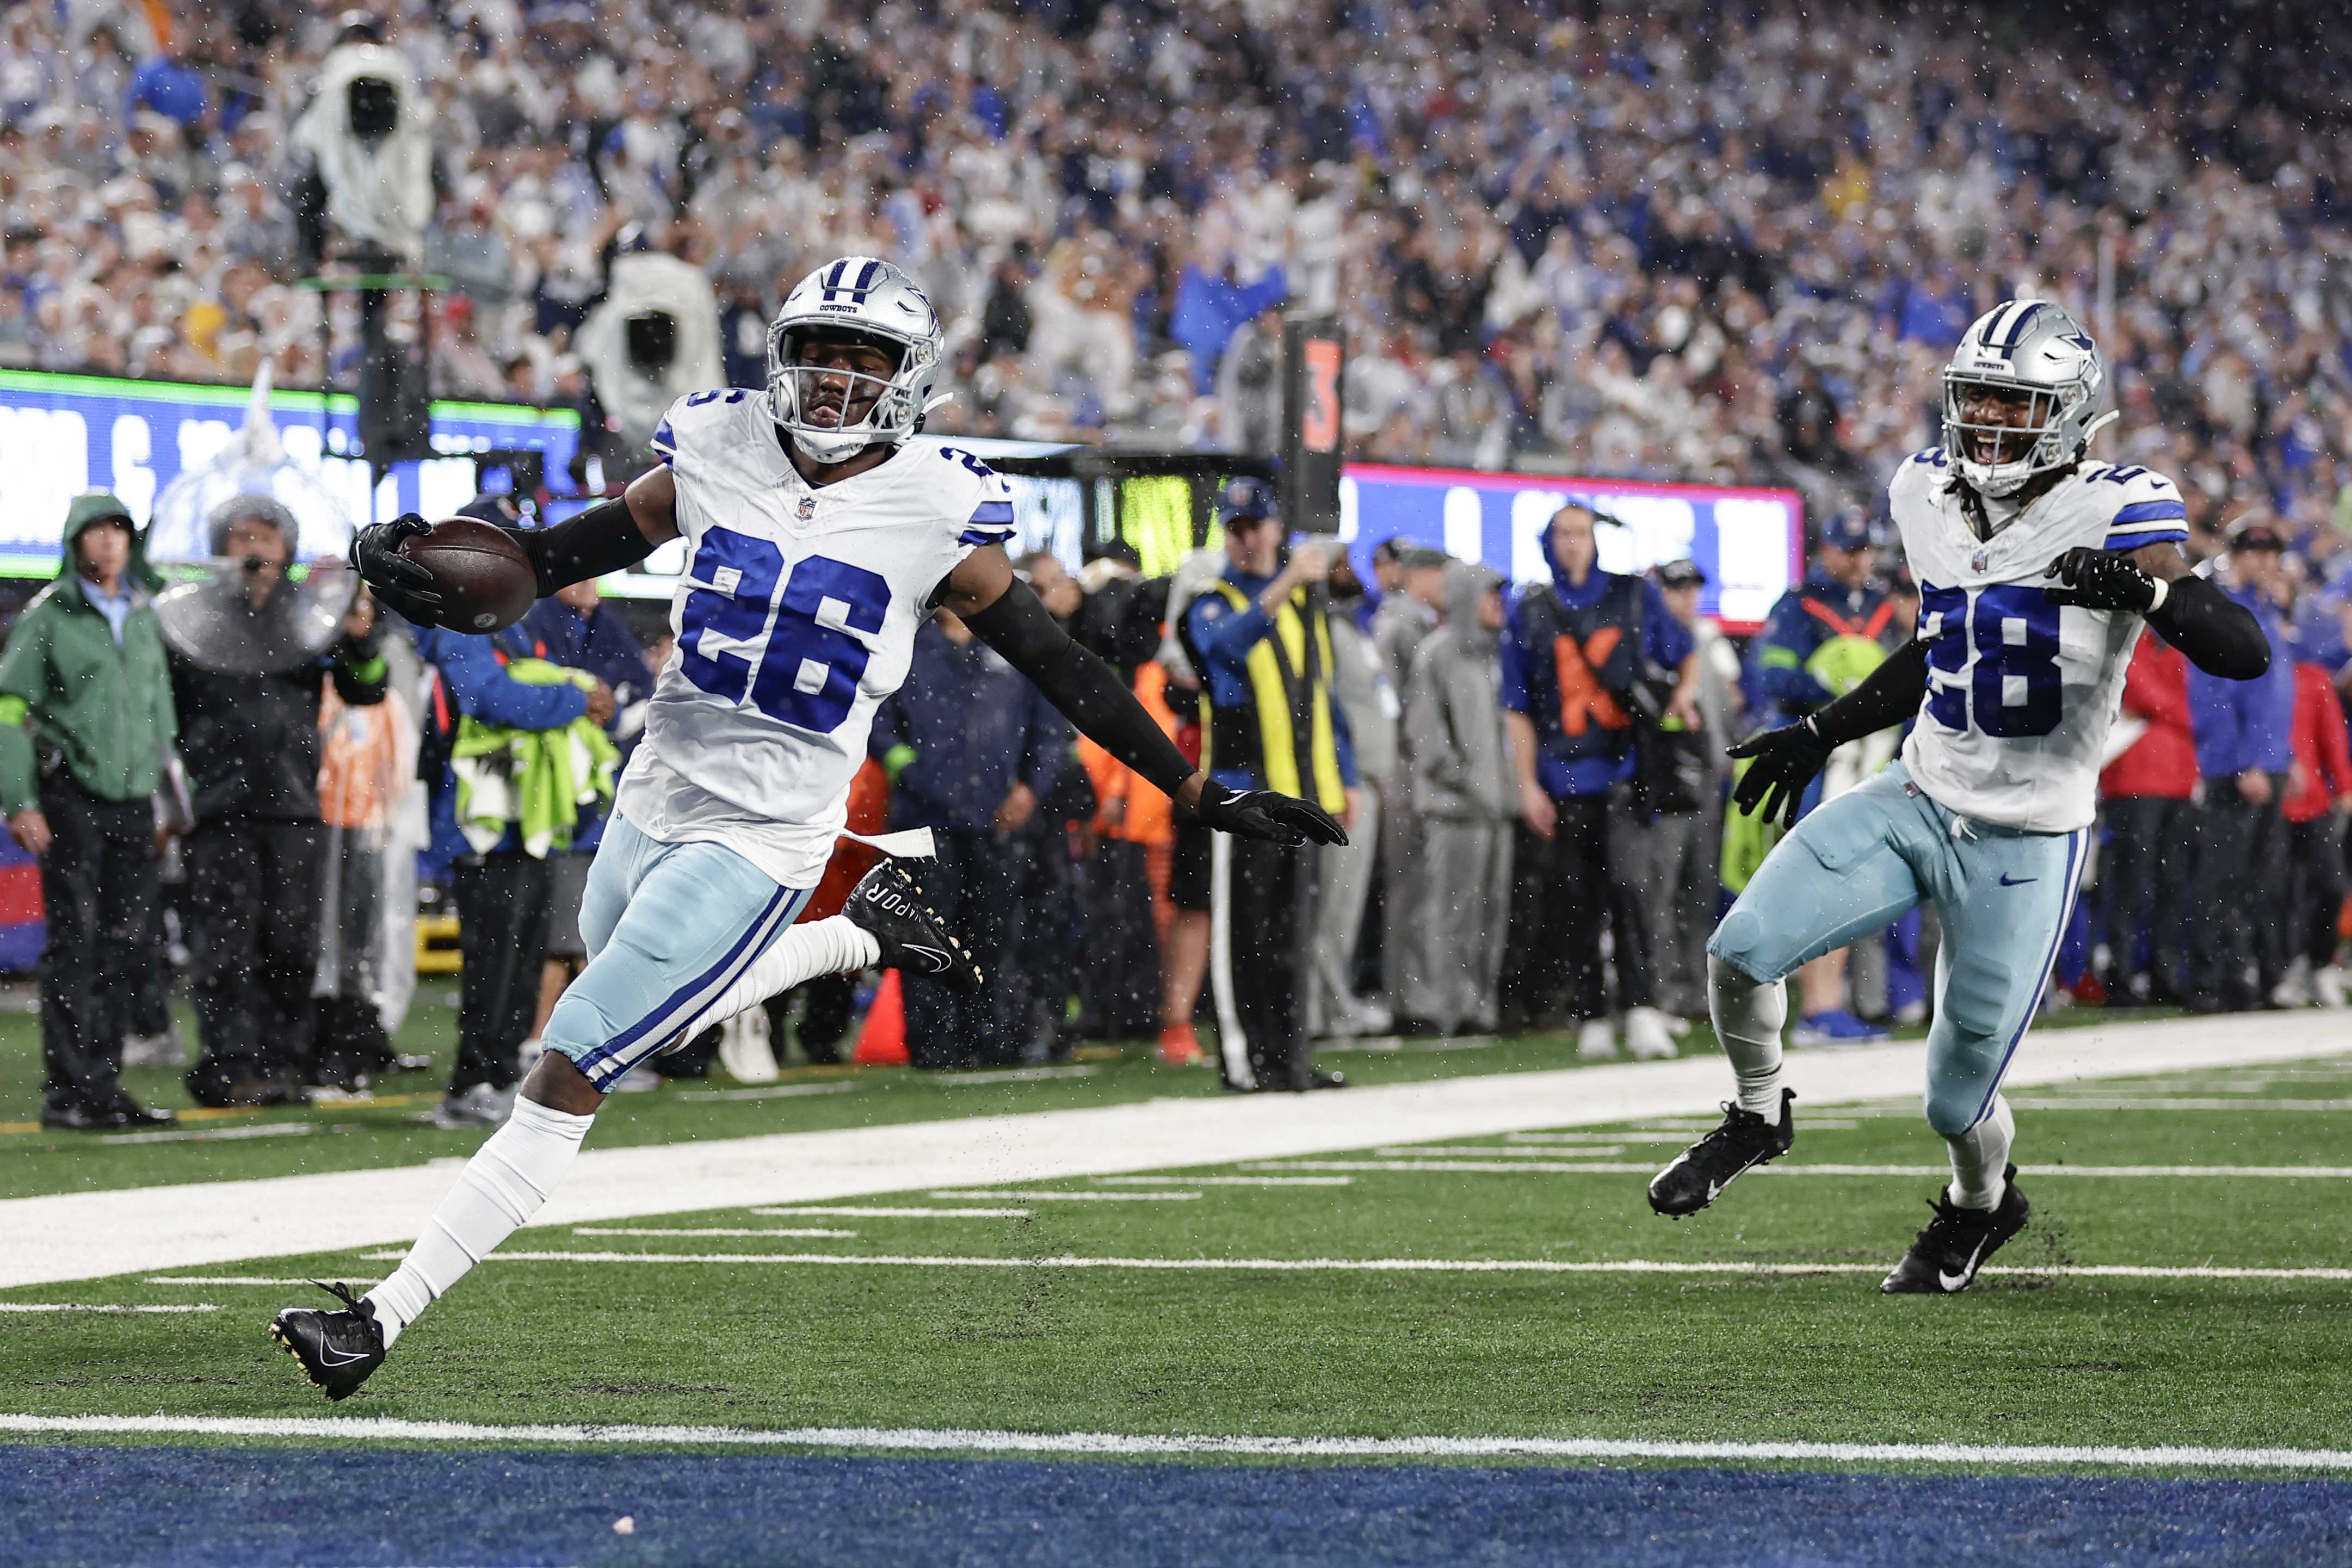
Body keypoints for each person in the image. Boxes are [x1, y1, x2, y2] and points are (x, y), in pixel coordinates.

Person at [287, 255, 1340, 1397]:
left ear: (908, 375)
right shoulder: (715, 443)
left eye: (865, 355)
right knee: (650, 1013)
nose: (837, 376)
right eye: (821, 349)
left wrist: (1189, 787)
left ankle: (384, 1313)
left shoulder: (939, 503)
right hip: (658, 786)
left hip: (772, 826)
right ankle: (862, 927)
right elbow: (557, 557)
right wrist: (438, 558)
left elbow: (1059, 664)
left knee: (578, 1048)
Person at [1648, 302, 2269, 1293]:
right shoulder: (1921, 491)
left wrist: (2148, 596)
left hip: (2025, 835)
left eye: (2009, 403)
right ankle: (1758, 1113)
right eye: (1973, 398)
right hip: (1918, 793)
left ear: (2065, 413)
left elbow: (2242, 651)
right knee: (1739, 949)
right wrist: (1819, 732)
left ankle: (1981, 1206)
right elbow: (1942, 646)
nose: (1984, 422)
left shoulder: (2122, 503)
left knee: (1953, 1097)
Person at [169, 496, 390, 1107]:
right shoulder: (195, 619)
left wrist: (360, 645)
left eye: (265, 536)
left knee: (291, 943)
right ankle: (229, 1064)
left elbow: (365, 692)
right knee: (223, 946)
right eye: (240, 536)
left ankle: (282, 1062)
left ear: (286, 549)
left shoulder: (308, 618)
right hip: (218, 809)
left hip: (293, 805)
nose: (253, 548)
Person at [406, 515, 620, 1127]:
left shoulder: (512, 620)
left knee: (522, 955)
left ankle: (498, 1073)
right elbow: (490, 696)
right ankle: (472, 1079)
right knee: (494, 956)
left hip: (524, 816)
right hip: (484, 822)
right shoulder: (460, 620)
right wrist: (578, 698)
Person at [1497, 503, 1701, 1059]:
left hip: (1625, 765)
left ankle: (1641, 1004)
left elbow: (1686, 653)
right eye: (1563, 534)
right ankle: (1590, 1010)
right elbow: (1516, 707)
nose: (1573, 544)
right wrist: (1526, 783)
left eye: (1581, 533)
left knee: (1632, 889)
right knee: (1576, 899)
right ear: (1547, 542)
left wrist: (1681, 698)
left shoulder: (1633, 595)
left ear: (1596, 539)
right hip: (1563, 774)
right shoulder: (1531, 610)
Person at [0, 493, 177, 1130]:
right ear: (75, 542)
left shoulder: (144, 613)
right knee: (78, 945)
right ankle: (68, 1093)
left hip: (133, 800)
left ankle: (101, 1088)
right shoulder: (48, 617)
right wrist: (20, 799)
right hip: (72, 795)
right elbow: (8, 711)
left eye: (118, 530)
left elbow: (160, 715)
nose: (108, 541)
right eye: (96, 531)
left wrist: (167, 796)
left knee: (125, 946)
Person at [1180, 477, 1357, 1092]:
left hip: (1296, 791)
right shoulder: (1210, 598)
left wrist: (1346, 777)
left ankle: (1286, 1053)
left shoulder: (1304, 605)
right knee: (1243, 933)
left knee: (1289, 932)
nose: (1248, 538)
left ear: (1277, 528)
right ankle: (1241, 1055)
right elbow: (1225, 646)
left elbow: (1322, 695)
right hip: (1239, 795)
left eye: (1257, 526)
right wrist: (1286, 584)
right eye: (1236, 528)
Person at [871, 606, 1069, 1067]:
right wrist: (916, 777)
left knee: (997, 932)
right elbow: (878, 730)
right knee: (927, 936)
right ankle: (935, 1044)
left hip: (1000, 821)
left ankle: (995, 1037)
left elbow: (1049, 729)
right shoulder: (901, 647)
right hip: (923, 823)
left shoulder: (1013, 643)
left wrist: (1029, 788)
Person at [1750, 504, 1904, 1044]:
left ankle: (1833, 1001)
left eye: (1867, 549)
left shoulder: (1882, 606)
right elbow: (1772, 675)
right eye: (1852, 549)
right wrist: (1828, 684)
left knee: (1852, 883)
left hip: (1868, 760)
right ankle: (1817, 1005)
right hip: (1815, 760)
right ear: (1828, 550)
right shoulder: (1799, 606)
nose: (1861, 559)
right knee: (1823, 878)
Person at [1390, 560, 1514, 1034]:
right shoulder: (1437, 654)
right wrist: (1466, 778)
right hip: (1454, 809)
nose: (1496, 604)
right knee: (1450, 911)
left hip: (1495, 808)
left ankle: (1478, 1007)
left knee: (1489, 912)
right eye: (1488, 594)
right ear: (1464, 598)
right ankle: (1443, 1008)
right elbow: (1425, 735)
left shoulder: (1493, 655)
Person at [2185, 517, 2298, 1012]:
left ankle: (2246, 976)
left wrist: (2283, 756)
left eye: (2271, 552)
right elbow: (2213, 696)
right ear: (2236, 556)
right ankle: (2212, 980)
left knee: (2259, 881)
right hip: (2238, 769)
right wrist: (2240, 764)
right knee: (2223, 878)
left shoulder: (2265, 611)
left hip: (2266, 763)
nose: (2266, 561)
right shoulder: (2223, 610)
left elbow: (2274, 697)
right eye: (2256, 552)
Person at [1631, 558, 1733, 1022]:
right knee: (1660, 891)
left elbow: (1725, 711)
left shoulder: (1704, 640)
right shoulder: (1646, 644)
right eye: (1677, 589)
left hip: (1707, 783)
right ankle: (1663, 992)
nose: (1687, 598)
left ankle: (1695, 990)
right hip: (1666, 788)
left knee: (1699, 891)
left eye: (1692, 589)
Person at [2095, 627, 2200, 1006]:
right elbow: (2143, 690)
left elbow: (2155, 698)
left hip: (2173, 781)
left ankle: (2161, 972)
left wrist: (2170, 709)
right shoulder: (2126, 641)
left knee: (2169, 884)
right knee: (2131, 883)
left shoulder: (2174, 649)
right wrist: (2188, 715)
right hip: (2134, 783)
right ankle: (2122, 975)